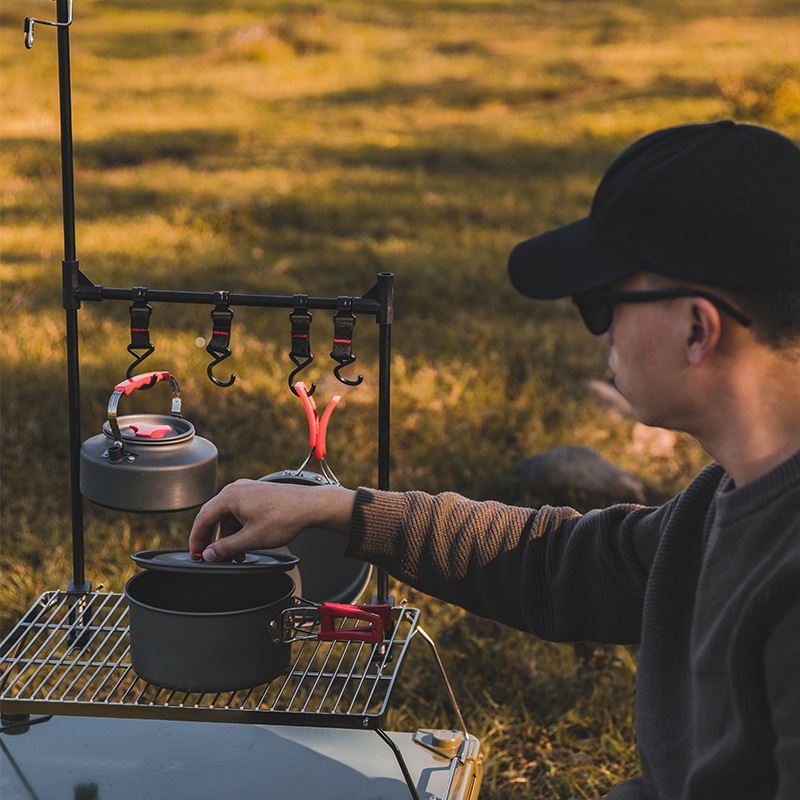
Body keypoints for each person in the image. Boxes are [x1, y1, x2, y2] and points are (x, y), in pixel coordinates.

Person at [189, 121, 800, 799]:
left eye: (602, 302)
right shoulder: (728, 497)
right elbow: (566, 562)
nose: (600, 331)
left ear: (697, 328)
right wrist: (339, 510)